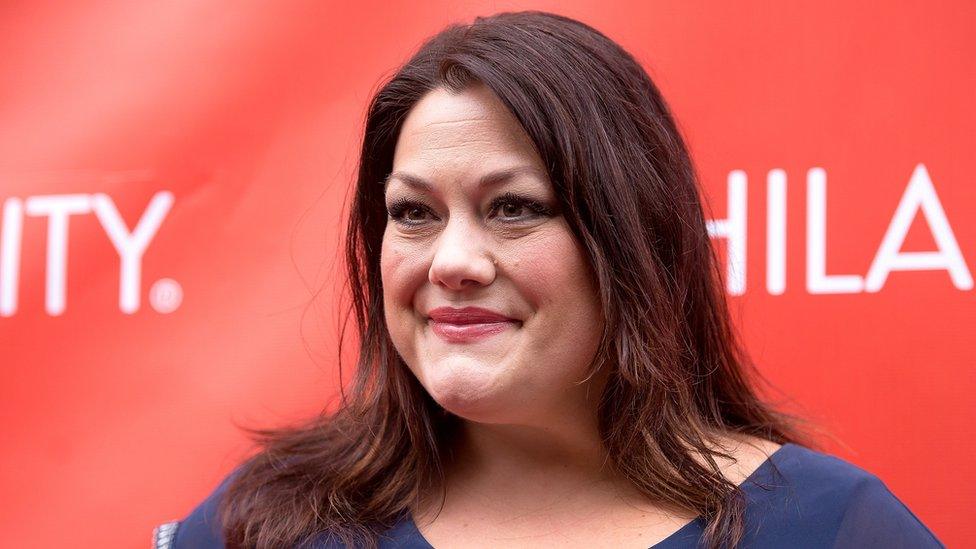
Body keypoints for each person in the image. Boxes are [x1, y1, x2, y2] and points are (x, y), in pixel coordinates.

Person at [154, 10, 944, 549]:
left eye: (514, 207)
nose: (453, 261)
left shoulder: (827, 524)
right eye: (414, 213)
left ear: (636, 239)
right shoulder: (265, 520)